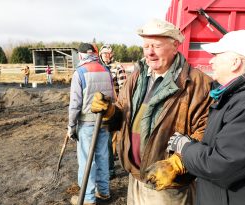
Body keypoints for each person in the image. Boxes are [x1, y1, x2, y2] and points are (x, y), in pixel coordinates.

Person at [155, 30, 245, 205]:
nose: (211, 60)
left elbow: (221, 165)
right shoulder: (235, 96)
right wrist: (192, 147)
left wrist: (185, 149)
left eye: (216, 55)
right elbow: (221, 148)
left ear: (235, 63)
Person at [91, 18, 214, 205]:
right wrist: (110, 113)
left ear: (175, 46)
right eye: (146, 45)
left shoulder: (196, 83)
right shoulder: (137, 77)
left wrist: (177, 164)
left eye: (156, 46)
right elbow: (123, 114)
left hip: (168, 187)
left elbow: (206, 132)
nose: (149, 52)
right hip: (136, 178)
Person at [67, 43, 115, 205]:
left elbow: (75, 104)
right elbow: (112, 97)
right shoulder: (106, 70)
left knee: (87, 160)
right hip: (104, 122)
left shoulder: (79, 72)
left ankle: (87, 197)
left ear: (81, 55)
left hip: (87, 124)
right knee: (103, 157)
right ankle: (104, 191)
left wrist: (71, 126)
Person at [99, 44, 127, 179]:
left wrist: (120, 106)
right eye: (103, 52)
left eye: (108, 53)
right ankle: (111, 160)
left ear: (112, 54)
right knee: (108, 138)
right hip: (100, 106)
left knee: (110, 137)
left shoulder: (118, 68)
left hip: (113, 106)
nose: (105, 55)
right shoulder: (98, 67)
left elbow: (123, 88)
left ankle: (110, 169)